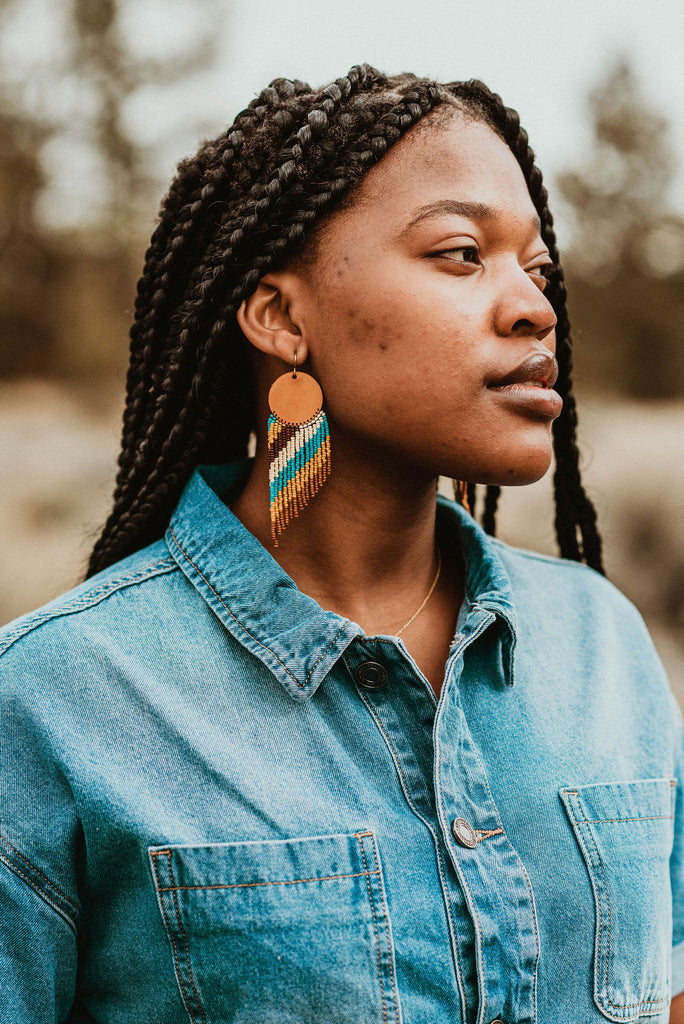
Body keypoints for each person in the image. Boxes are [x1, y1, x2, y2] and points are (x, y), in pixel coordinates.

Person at [0, 65, 682, 1024]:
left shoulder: (601, 645)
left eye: (537, 269)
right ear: (280, 316)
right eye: (459, 253)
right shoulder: (57, 702)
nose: (534, 308)